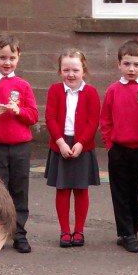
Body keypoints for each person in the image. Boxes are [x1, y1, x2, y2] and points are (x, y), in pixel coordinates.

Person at [0, 33, 39, 254]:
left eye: (11, 58)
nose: (7, 62)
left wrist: (18, 111)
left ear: (18, 58)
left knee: (20, 190)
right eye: (2, 57)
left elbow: (33, 116)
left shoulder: (23, 85)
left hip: (20, 147)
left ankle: (19, 234)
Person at [44, 48, 101, 248]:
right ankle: (64, 231)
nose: (70, 74)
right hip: (60, 144)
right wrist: (60, 142)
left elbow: (93, 121)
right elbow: (50, 117)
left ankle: (79, 230)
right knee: (62, 189)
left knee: (80, 189)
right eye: (66, 70)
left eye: (75, 70)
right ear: (60, 71)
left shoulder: (91, 93)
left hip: (82, 146)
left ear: (83, 70)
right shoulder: (54, 90)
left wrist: (80, 143)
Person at [100, 40, 138, 253]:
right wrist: (110, 145)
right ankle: (127, 233)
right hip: (119, 150)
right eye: (127, 64)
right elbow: (105, 120)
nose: (131, 69)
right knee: (120, 193)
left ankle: (132, 230)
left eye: (136, 64)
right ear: (119, 64)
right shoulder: (113, 90)